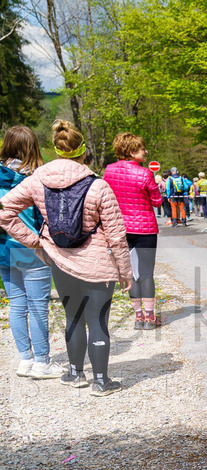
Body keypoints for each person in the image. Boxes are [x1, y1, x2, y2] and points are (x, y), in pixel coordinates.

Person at [0, 119, 133, 396]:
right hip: (96, 263)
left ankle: (75, 374)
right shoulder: (98, 186)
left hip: (59, 260)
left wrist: (36, 241)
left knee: (73, 317)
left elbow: (5, 211)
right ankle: (100, 381)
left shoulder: (37, 179)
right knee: (97, 321)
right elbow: (117, 236)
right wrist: (125, 272)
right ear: (83, 151)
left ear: (57, 149)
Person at [0, 126, 62, 379]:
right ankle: (42, 362)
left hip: (4, 247)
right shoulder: (37, 177)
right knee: (38, 307)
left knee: (17, 305)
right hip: (31, 246)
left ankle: (25, 360)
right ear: (33, 146)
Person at [103, 132, 165, 330]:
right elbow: (157, 201)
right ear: (131, 152)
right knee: (146, 273)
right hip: (144, 228)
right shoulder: (145, 173)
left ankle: (138, 317)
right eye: (141, 149)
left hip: (120, 228)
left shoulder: (109, 171)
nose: (145, 152)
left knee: (129, 273)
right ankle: (149, 317)